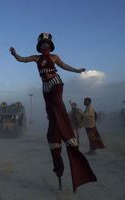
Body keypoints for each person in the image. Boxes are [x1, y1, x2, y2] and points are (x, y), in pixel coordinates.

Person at [9, 33, 96, 192]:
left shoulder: (55, 57)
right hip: (45, 88)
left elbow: (65, 66)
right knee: (50, 113)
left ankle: (66, 131)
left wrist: (77, 71)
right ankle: (56, 134)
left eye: (46, 44)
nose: (44, 46)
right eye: (42, 44)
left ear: (50, 46)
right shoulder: (36, 58)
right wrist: (15, 54)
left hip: (55, 83)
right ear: (40, 46)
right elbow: (22, 59)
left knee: (57, 104)